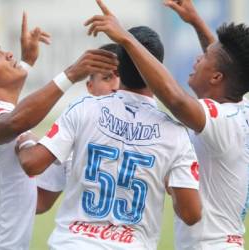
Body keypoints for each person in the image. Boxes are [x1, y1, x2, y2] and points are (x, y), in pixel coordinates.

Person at [16, 25, 201, 250]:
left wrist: (23, 139)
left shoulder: (82, 110)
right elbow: (191, 214)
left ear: (119, 69)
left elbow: (32, 165)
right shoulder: (176, 134)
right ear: (157, 69)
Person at [85, 0, 249, 249]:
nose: (198, 58)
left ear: (216, 77)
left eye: (204, 57)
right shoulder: (239, 110)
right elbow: (225, 64)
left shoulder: (221, 122)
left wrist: (129, 41)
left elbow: (175, 99)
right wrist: (196, 22)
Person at [0, 11, 118, 250]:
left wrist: (26, 62)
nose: (8, 53)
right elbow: (16, 121)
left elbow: (12, 109)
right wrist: (70, 75)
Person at [37, 43, 120, 214]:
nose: (116, 86)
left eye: (122, 78)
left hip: (127, 238)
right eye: (107, 78)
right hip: (77, 237)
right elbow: (41, 203)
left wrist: (26, 143)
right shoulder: (74, 122)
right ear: (90, 87)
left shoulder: (150, 128)